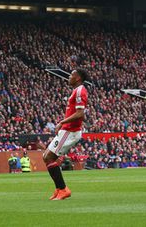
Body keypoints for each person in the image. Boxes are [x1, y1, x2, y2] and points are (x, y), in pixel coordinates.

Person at [42, 68, 89, 201]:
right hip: (67, 130)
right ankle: (59, 188)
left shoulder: (80, 90)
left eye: (71, 75)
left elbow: (80, 113)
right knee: (46, 157)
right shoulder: (76, 91)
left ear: (78, 78)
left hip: (70, 131)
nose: (69, 77)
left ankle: (63, 189)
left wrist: (62, 122)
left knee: (49, 157)